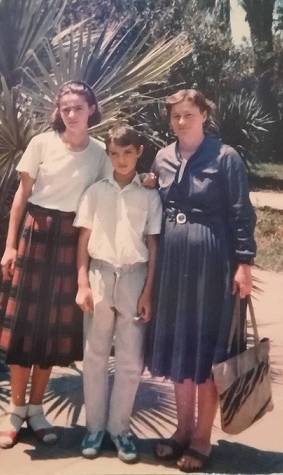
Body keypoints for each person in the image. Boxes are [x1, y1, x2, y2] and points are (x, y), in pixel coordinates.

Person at [0, 80, 112, 449]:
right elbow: (21, 198)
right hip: (35, 235)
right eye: (65, 108)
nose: (71, 114)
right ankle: (16, 412)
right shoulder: (41, 144)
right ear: (58, 112)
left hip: (71, 242)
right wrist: (10, 246)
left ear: (91, 108)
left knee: (51, 329)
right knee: (24, 326)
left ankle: (37, 409)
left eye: (78, 107)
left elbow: (110, 195)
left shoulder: (100, 153)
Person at [146, 89, 256, 472]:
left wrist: (244, 264)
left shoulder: (226, 158)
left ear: (204, 115)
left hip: (212, 263)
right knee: (180, 346)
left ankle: (202, 438)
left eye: (189, 115)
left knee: (207, 349)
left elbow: (242, 214)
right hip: (173, 265)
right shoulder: (161, 157)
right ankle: (181, 430)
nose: (181, 122)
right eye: (175, 116)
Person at [74, 125, 162, 463]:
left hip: (134, 278)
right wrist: (83, 283)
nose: (121, 159)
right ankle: (94, 427)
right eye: (114, 153)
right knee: (95, 355)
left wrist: (148, 291)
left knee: (129, 359)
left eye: (128, 153)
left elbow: (153, 245)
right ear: (108, 154)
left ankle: (119, 429)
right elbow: (83, 241)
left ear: (139, 152)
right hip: (98, 274)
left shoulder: (149, 195)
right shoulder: (95, 192)